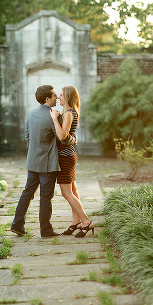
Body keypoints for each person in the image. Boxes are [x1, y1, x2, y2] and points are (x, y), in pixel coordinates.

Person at [10, 85, 62, 238]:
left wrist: (34, 150)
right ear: (47, 99)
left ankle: (17, 225)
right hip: (47, 163)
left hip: (32, 161)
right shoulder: (54, 115)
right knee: (46, 197)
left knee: (27, 193)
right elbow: (61, 138)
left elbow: (27, 136)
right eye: (54, 96)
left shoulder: (31, 113)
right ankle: (45, 230)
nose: (56, 98)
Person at [50, 85, 94, 238]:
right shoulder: (69, 112)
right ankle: (76, 222)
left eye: (61, 95)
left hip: (66, 157)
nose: (59, 98)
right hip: (68, 155)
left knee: (66, 192)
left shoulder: (68, 113)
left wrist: (55, 119)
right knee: (73, 191)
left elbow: (62, 136)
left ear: (67, 97)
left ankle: (86, 221)